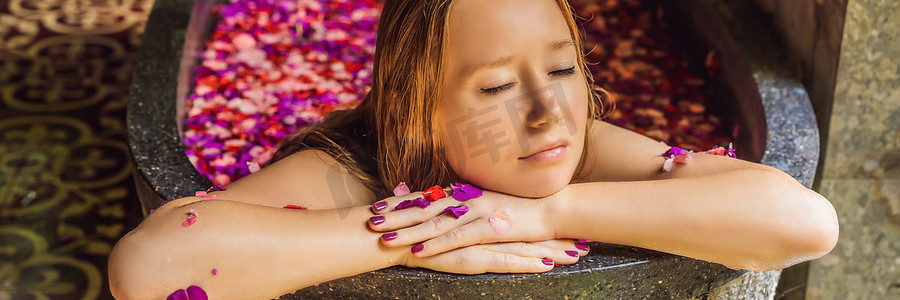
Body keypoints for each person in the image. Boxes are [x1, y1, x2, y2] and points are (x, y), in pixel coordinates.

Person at [108, 0, 840, 298]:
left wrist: (547, 214)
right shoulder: (355, 165)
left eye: (562, 70)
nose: (547, 109)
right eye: (494, 88)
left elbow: (805, 222)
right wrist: (414, 232)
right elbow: (147, 268)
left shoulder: (577, 147)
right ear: (412, 112)